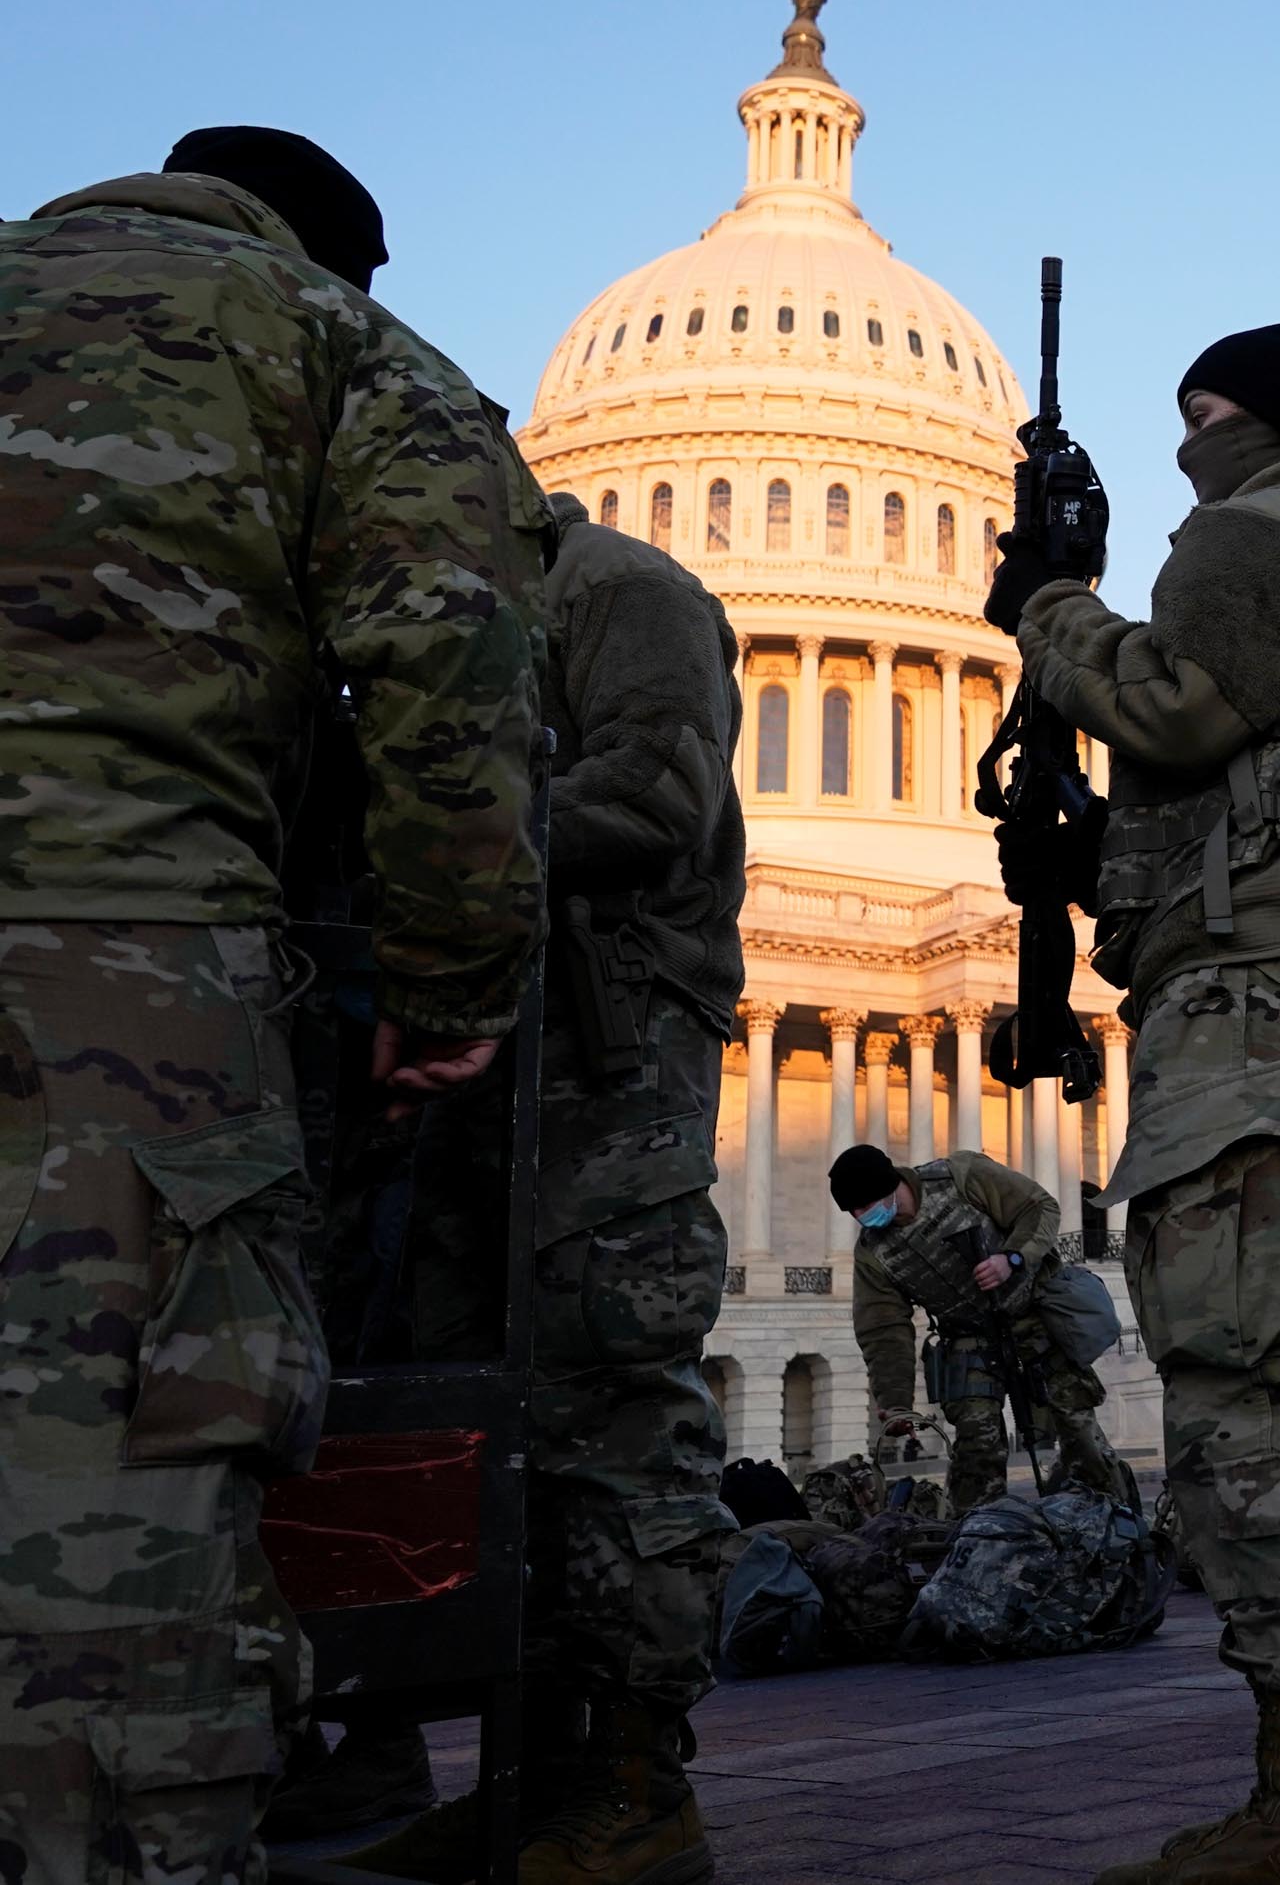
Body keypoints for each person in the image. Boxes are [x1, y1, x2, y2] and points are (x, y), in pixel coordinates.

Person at [0, 127, 545, 1885]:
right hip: (124, 987)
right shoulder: (334, 345)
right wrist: (454, 981)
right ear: (342, 258)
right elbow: (449, 676)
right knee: (115, 1578)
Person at [1000, 322, 1280, 1885]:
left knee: (1252, 1385)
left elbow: (1179, 705)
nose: (1189, 434)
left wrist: (1052, 611)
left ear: (1268, 419)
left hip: (1264, 1008)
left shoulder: (1272, 520)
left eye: (1206, 407)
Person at [342, 480, 748, 1885]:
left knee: (607, 1401)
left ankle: (640, 1776)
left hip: (606, 1056)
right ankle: (535, 1771)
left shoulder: (618, 590)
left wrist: (432, 852)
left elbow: (654, 797)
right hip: (477, 1050)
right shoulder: (442, 614)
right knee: (477, 1409)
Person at [828, 1141, 1127, 1507]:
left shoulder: (960, 1177)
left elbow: (1039, 1208)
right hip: (968, 1337)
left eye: (863, 1206)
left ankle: (1113, 1516)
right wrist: (895, 1401)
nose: (860, 1217)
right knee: (976, 1446)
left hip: (1033, 1314)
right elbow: (883, 1328)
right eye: (853, 1211)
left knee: (1078, 1428)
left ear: (888, 1186)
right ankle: (981, 1533)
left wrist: (1011, 1258)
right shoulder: (874, 1251)